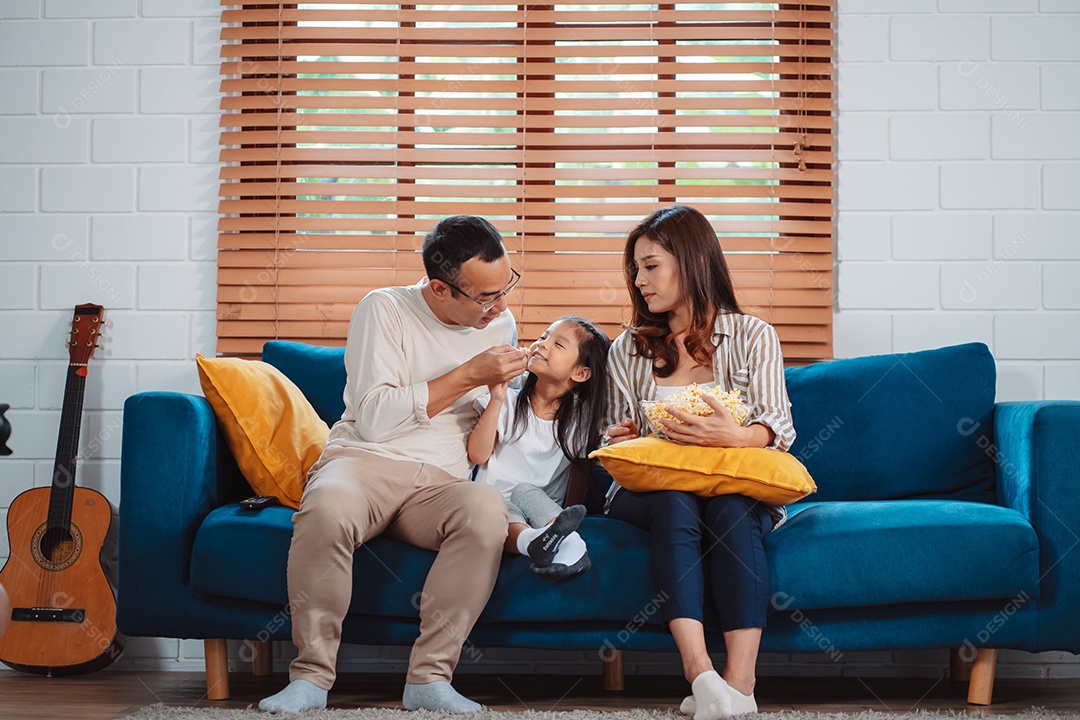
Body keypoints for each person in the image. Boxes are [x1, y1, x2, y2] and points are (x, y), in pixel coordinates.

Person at [260, 216, 529, 714]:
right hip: (367, 459)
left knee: (486, 510)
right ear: (440, 289)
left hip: (441, 480)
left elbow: (490, 420)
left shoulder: (499, 322)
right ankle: (312, 679)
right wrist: (469, 371)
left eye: (506, 287)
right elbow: (377, 418)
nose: (502, 307)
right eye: (486, 297)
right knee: (326, 509)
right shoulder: (383, 309)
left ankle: (429, 680)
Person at [602, 205, 796, 720]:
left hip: (733, 479)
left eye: (650, 266)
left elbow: (779, 425)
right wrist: (619, 434)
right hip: (653, 489)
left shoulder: (754, 336)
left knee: (730, 506)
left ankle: (741, 682)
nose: (639, 281)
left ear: (690, 261)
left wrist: (738, 435)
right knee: (675, 501)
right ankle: (701, 674)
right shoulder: (627, 348)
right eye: (635, 270)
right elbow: (615, 433)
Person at [468, 316, 611, 580]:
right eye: (544, 336)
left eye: (558, 344)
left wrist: (569, 513)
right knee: (502, 510)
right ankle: (542, 543)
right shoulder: (507, 401)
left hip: (542, 511)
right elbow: (478, 454)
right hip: (494, 506)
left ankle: (561, 537)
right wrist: (497, 399)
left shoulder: (580, 420)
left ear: (580, 372)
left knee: (524, 490)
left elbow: (578, 474)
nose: (542, 344)